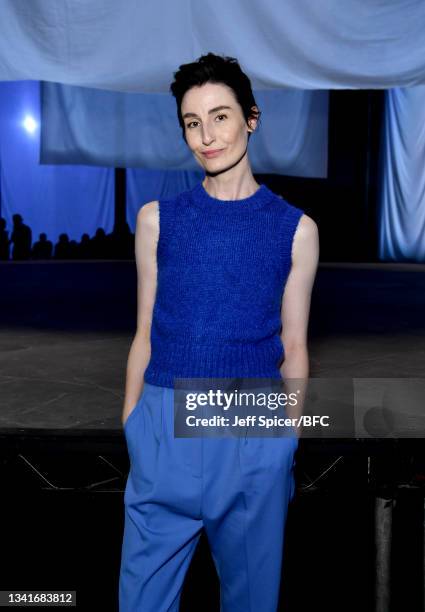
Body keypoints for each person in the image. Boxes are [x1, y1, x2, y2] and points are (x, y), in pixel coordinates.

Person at [119, 52, 319, 611]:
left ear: (251, 118)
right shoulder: (157, 221)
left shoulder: (296, 230)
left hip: (252, 429)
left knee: (253, 602)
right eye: (192, 121)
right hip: (163, 426)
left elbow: (296, 345)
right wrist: (134, 423)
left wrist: (285, 441)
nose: (207, 135)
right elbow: (143, 333)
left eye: (221, 116)